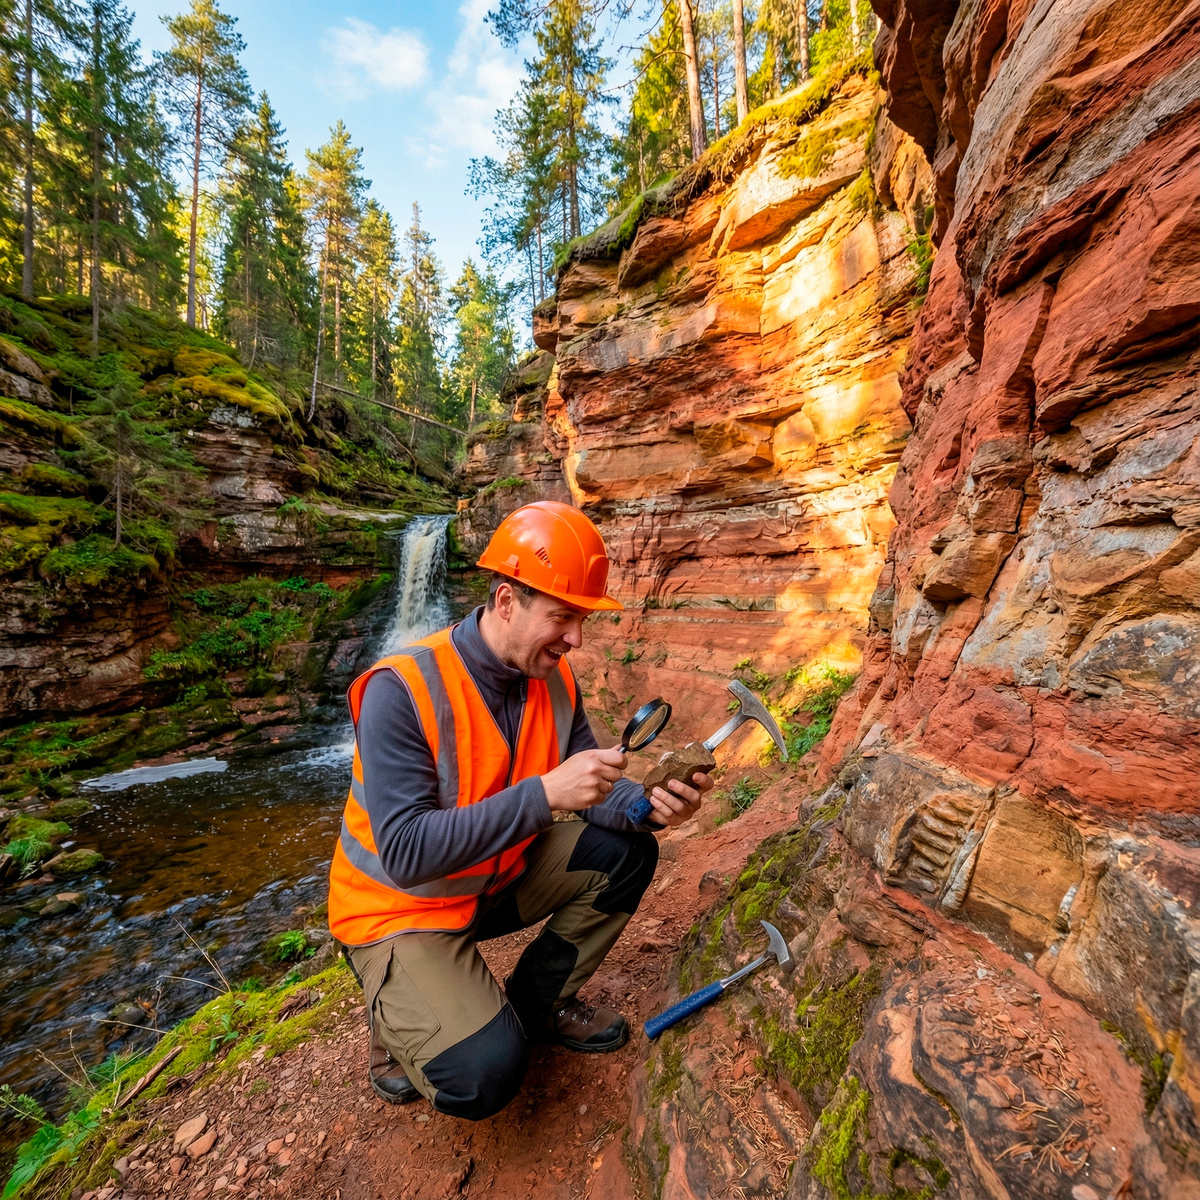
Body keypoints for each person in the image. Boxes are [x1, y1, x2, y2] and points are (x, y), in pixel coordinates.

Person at [327, 501, 713, 1120]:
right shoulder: (400, 689)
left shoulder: (555, 680)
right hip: (398, 908)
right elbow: (404, 852)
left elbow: (594, 788)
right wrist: (545, 795)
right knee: (483, 1076)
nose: (576, 639)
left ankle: (539, 1004)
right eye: (562, 617)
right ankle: (395, 1008)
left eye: (582, 619)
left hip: (489, 882)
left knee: (627, 852)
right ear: (507, 601)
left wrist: (649, 807)